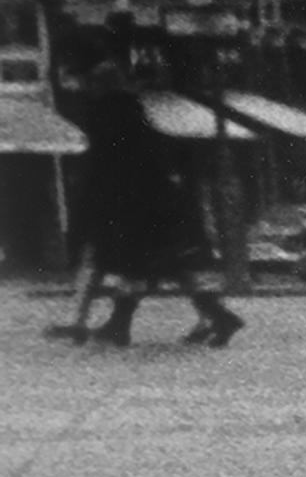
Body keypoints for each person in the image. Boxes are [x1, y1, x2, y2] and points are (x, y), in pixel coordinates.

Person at [50, 41, 241, 348]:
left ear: (94, 82)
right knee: (168, 264)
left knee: (137, 263)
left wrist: (90, 201)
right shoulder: (128, 107)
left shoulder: (107, 111)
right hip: (154, 198)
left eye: (84, 81)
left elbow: (105, 161)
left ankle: (119, 326)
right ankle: (214, 316)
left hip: (131, 201)